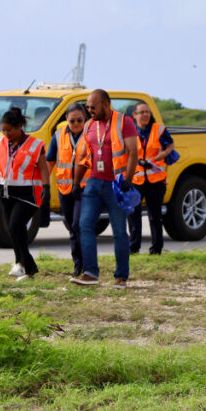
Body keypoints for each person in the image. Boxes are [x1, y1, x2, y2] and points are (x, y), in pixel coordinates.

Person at [70, 89, 139, 288]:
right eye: (87, 107)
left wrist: (128, 179)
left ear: (106, 104)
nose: (89, 110)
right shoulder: (89, 125)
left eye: (93, 107)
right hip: (93, 182)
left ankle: (121, 277)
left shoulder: (123, 122)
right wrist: (76, 183)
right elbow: (84, 156)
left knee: (119, 231)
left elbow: (133, 152)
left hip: (116, 184)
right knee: (85, 226)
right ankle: (90, 273)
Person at [0, 107, 49, 280]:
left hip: (28, 194)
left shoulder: (35, 145)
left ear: (19, 127)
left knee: (16, 225)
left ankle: (22, 264)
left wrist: (46, 186)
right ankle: (26, 267)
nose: (6, 134)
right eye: (3, 130)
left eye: (9, 130)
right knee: (14, 229)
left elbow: (43, 167)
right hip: (6, 193)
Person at [47, 102, 89, 277]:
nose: (76, 124)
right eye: (72, 121)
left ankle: (87, 264)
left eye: (80, 120)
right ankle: (77, 264)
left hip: (85, 189)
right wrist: (43, 185)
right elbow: (50, 161)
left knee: (79, 225)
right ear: (66, 119)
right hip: (65, 189)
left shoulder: (90, 135)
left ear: (85, 118)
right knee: (72, 228)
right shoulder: (58, 136)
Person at [128, 101, 174, 255]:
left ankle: (156, 249)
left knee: (155, 216)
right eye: (141, 112)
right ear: (134, 115)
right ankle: (134, 247)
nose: (145, 115)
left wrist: (164, 154)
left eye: (147, 112)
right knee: (133, 214)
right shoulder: (129, 131)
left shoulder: (159, 129)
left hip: (155, 180)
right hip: (136, 179)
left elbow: (170, 145)